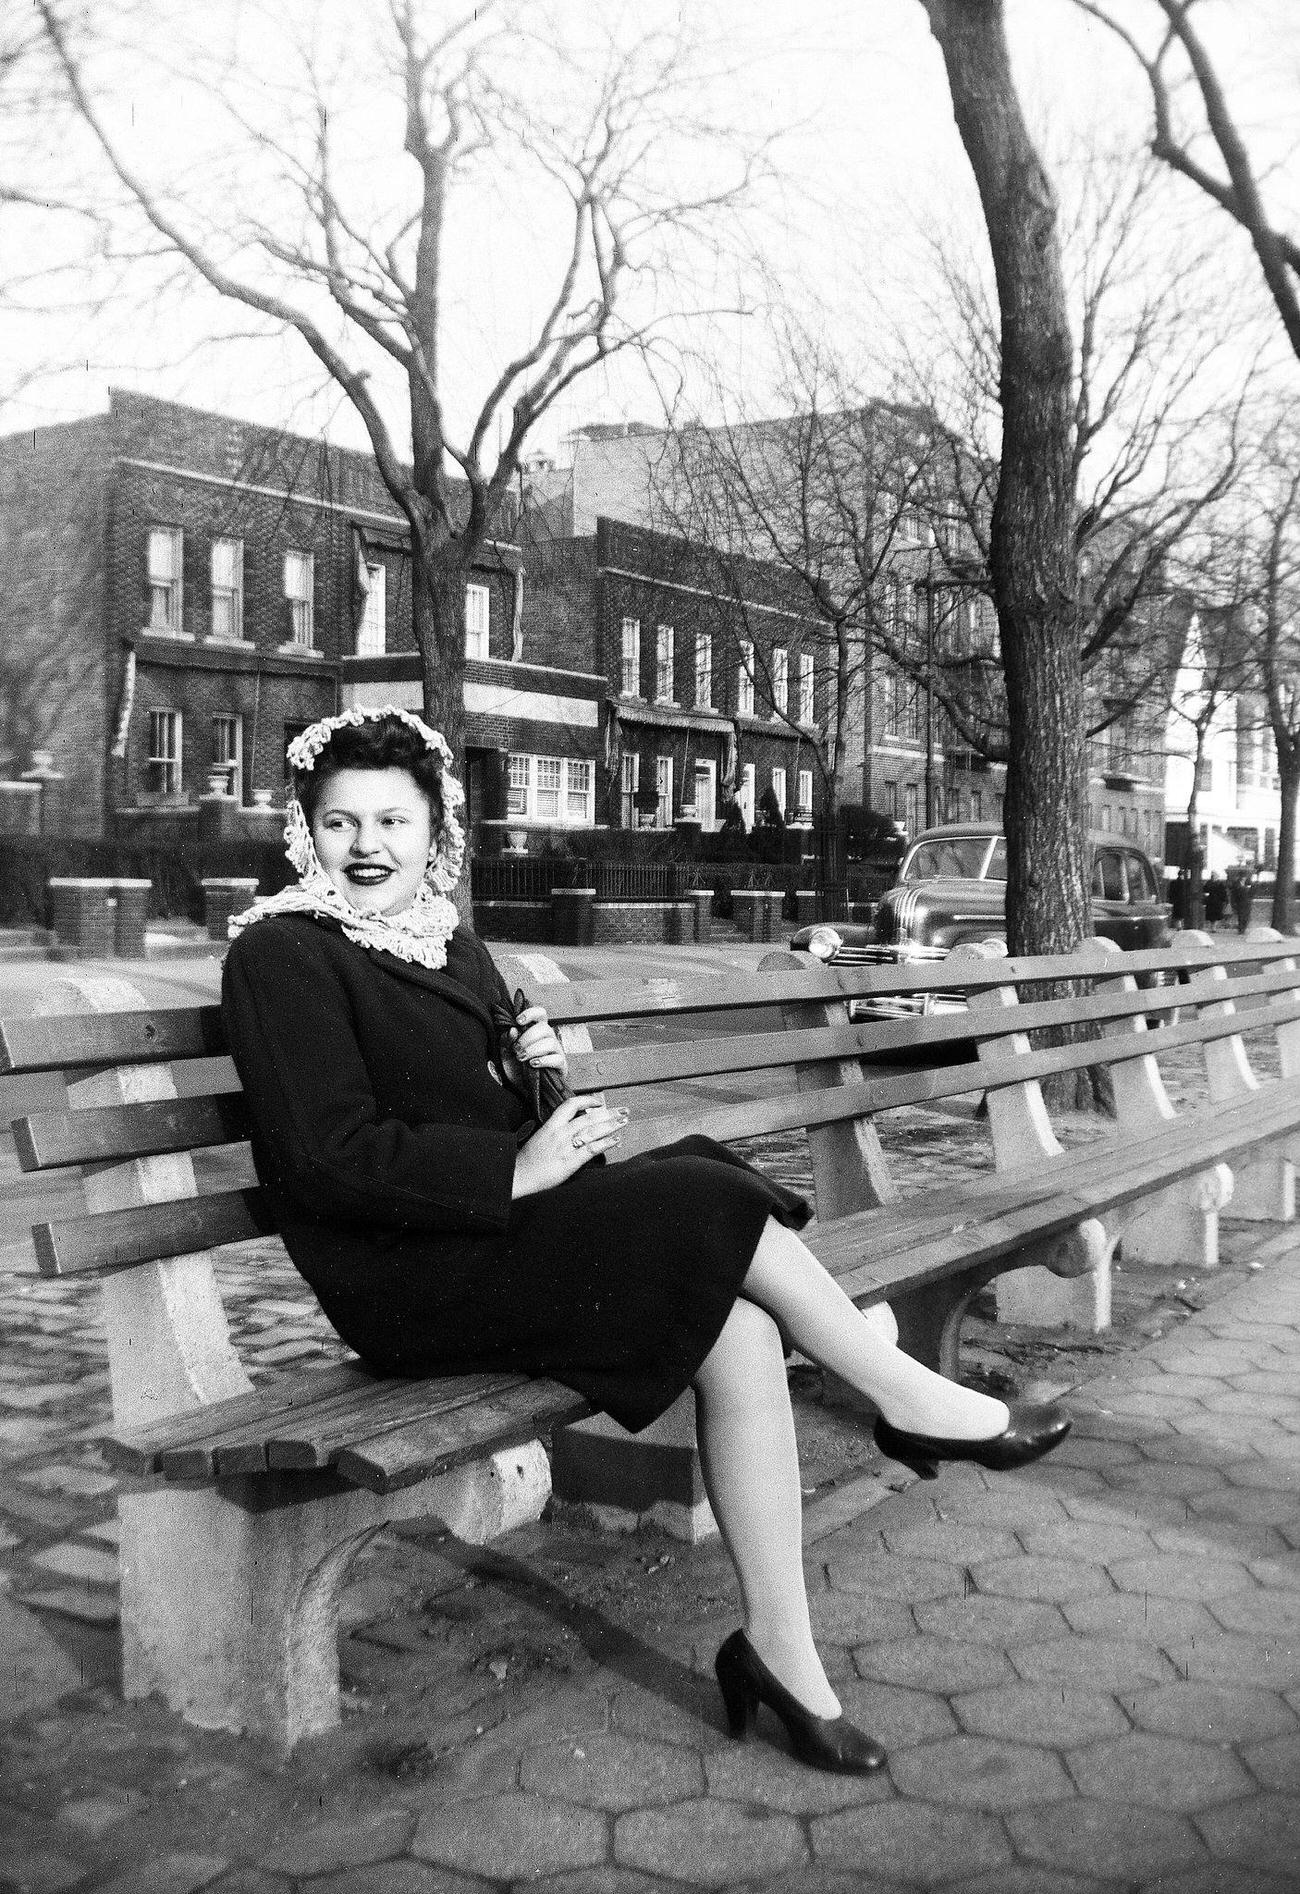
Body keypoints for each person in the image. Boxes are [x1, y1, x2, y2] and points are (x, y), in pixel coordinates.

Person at [221, 706, 1070, 1776]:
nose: (367, 845)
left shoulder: (448, 940)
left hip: (492, 1239)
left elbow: (510, 1118)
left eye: (392, 818)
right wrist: (514, 1167)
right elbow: (323, 1154)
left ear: (435, 824)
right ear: (307, 829)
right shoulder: (282, 953)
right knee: (703, 1195)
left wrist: (532, 1074)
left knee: (738, 1321)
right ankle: (901, 1394)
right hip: (406, 1280)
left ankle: (782, 1652)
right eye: (340, 822)